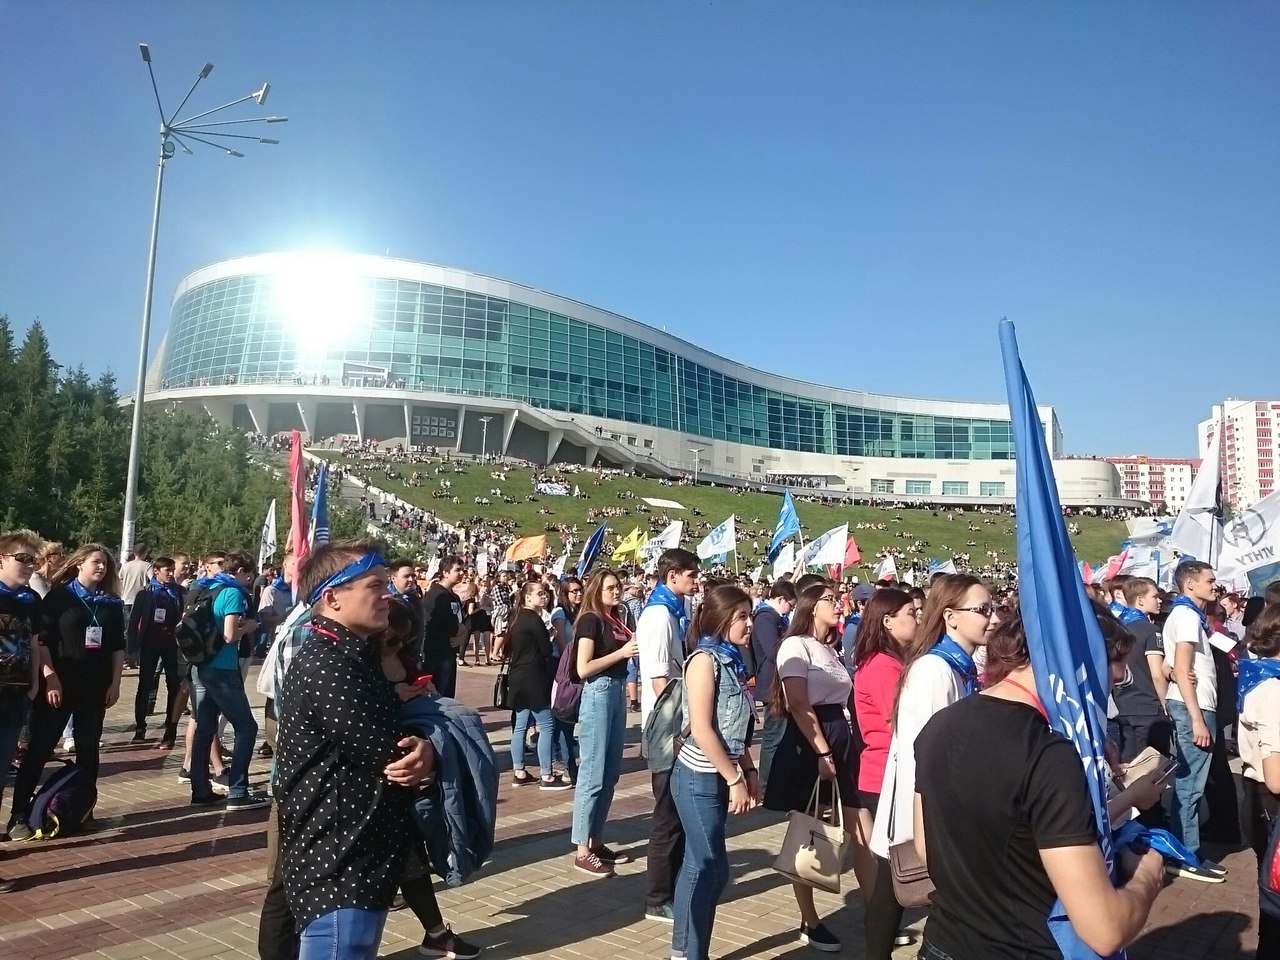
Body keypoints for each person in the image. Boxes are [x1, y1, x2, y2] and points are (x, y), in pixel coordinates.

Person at [912, 607, 1166, 959]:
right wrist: (1147, 877)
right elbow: (1105, 930)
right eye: (1115, 680)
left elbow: (926, 847)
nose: (1109, 694)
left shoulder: (941, 723)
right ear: (1088, 664)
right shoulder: (1049, 753)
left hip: (944, 942)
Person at [274, 540, 435, 960]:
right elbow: (392, 757)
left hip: (359, 854)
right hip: (339, 863)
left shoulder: (355, 654)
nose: (388, 595)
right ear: (332, 598)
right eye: (375, 585)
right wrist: (429, 752)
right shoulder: (329, 663)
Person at [868, 573, 996, 925]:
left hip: (942, 804)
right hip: (925, 805)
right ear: (950, 616)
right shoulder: (935, 670)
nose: (993, 618)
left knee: (897, 898)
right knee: (896, 892)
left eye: (993, 608)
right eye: (983, 610)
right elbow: (932, 754)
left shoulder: (959, 667)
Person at [376, 597, 483, 960]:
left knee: (411, 857)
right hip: (373, 777)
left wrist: (426, 696)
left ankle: (436, 934)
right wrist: (392, 696)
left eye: (405, 640)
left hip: (407, 773)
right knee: (398, 860)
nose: (398, 646)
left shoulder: (405, 661)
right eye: (392, 639)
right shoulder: (359, 665)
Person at [762, 581, 864, 953]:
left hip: (840, 735)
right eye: (830, 600)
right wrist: (822, 752)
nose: (838, 605)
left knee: (854, 827)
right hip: (812, 741)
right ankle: (809, 919)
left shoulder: (829, 649)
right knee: (809, 830)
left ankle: (876, 909)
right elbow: (799, 703)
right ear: (811, 606)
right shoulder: (796, 645)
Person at [9, 543, 125, 840]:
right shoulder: (59, 598)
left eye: (105, 563)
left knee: (88, 751)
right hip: (60, 687)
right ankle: (18, 814)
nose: (102, 567)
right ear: (79, 564)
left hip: (95, 687)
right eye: (96, 562)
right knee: (39, 749)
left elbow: (117, 647)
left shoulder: (111, 604)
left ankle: (81, 810)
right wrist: (51, 678)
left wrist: (115, 682)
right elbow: (43, 641)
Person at [670, 585, 760, 960]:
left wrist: (748, 768)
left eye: (750, 615)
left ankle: (683, 951)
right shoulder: (705, 661)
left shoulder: (731, 660)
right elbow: (703, 729)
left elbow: (734, 727)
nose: (750, 624)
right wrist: (734, 779)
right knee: (713, 869)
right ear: (721, 620)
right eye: (742, 617)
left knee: (697, 865)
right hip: (698, 777)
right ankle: (693, 953)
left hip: (718, 774)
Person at [851, 588, 918, 959]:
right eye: (910, 612)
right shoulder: (881, 665)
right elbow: (899, 720)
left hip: (889, 772)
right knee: (894, 870)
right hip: (884, 775)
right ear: (888, 621)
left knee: (895, 870)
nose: (917, 618)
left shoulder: (892, 661)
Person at [638, 548, 699, 921]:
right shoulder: (660, 615)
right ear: (672, 575)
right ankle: (657, 897)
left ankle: (671, 888)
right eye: (691, 575)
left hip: (674, 723)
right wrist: (683, 726)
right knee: (667, 815)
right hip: (667, 727)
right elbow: (660, 679)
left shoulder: (673, 610)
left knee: (675, 812)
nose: (696, 581)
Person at [188, 553, 271, 810]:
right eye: (249, 576)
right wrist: (249, 628)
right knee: (246, 727)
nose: (250, 581)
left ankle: (200, 790)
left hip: (201, 665)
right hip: (222, 668)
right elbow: (229, 635)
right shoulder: (233, 592)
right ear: (242, 571)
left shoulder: (206, 587)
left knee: (205, 727)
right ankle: (238, 790)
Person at [571, 568, 638, 878]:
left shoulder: (616, 619)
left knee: (610, 772)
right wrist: (621, 653)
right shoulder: (591, 620)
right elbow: (583, 668)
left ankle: (596, 839)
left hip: (616, 691)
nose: (616, 591)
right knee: (593, 773)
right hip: (598, 691)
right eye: (610, 587)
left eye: (618, 586)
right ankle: (581, 849)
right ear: (596, 591)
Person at [1162, 560, 1222, 866]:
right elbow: (1180, 666)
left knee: (1191, 781)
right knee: (1191, 784)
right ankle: (1185, 855)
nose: (1215, 585)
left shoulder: (1185, 615)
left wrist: (1175, 673)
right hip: (1193, 706)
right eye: (1209, 581)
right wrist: (1197, 718)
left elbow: (1168, 666)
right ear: (1190, 584)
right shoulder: (1186, 616)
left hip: (1190, 704)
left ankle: (1185, 851)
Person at [1237, 603, 1280, 958]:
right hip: (1270, 803)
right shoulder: (1273, 690)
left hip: (1259, 796)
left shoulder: (1259, 675)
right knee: (1275, 903)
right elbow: (1276, 777)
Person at [0, 530, 41, 891]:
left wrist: (36, 682)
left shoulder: (30, 599)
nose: (29, 566)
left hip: (16, 696)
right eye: (22, 559)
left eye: (33, 560)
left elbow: (34, 642)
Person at [507, 580, 568, 790]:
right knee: (547, 724)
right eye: (540, 593)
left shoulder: (517, 617)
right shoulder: (534, 619)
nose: (545, 597)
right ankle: (546, 775)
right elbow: (546, 649)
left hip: (518, 676)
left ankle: (519, 771)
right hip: (534, 677)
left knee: (520, 726)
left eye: (546, 593)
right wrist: (551, 636)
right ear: (527, 597)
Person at [126, 556, 184, 748]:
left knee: (174, 686)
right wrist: (132, 649)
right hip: (149, 644)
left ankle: (170, 728)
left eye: (172, 569)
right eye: (167, 570)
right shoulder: (146, 593)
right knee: (145, 685)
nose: (171, 573)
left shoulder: (179, 592)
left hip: (172, 646)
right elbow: (134, 621)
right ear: (156, 571)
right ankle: (140, 727)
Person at [749, 578, 795, 789]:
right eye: (790, 605)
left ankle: (776, 782)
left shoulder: (774, 617)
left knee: (781, 735)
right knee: (774, 737)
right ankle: (767, 785)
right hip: (772, 685)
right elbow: (773, 650)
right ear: (781, 599)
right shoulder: (766, 618)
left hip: (776, 683)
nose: (790, 610)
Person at [421, 556, 465, 697]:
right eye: (457, 570)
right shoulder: (436, 595)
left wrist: (462, 633)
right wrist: (459, 630)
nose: (461, 573)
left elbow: (462, 621)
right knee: (438, 695)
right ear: (445, 572)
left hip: (450, 652)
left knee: (448, 694)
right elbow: (446, 623)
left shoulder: (454, 597)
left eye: (462, 570)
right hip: (437, 653)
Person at [119, 545, 151, 669]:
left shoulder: (125, 566)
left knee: (128, 630)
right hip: (141, 600)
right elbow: (153, 581)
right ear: (145, 553)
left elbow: (120, 580)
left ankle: (127, 657)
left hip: (126, 599)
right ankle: (136, 657)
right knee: (141, 630)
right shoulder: (147, 566)